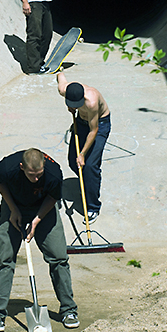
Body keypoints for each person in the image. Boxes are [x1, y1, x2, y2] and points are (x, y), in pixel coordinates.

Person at [0, 147, 79, 332]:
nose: (36, 179)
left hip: (43, 208)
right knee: (5, 258)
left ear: (44, 166)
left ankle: (68, 309)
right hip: (14, 206)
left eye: (39, 174)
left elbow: (53, 198)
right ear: (22, 167)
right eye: (31, 175)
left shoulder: (53, 173)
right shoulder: (7, 168)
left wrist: (36, 221)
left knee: (59, 257)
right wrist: (13, 209)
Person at [57, 74, 111, 222]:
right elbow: (60, 76)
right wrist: (59, 70)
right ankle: (87, 184)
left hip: (99, 125)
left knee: (90, 166)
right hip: (80, 121)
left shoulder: (92, 101)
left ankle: (93, 206)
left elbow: (93, 131)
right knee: (72, 161)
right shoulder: (64, 90)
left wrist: (82, 153)